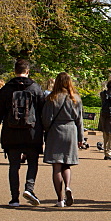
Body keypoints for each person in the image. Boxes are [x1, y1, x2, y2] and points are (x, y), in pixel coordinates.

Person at [0, 59, 46, 207]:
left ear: (14, 71)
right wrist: (45, 131)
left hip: (11, 132)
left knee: (13, 165)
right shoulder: (35, 88)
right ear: (27, 71)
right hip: (32, 132)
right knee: (33, 162)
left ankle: (14, 198)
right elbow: (42, 112)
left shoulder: (6, 89)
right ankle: (29, 188)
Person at [41, 72, 84, 208]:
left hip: (56, 131)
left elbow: (46, 119)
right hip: (71, 130)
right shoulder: (76, 98)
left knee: (57, 166)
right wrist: (81, 138)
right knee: (67, 164)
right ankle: (68, 187)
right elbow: (80, 120)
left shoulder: (51, 98)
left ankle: (60, 199)